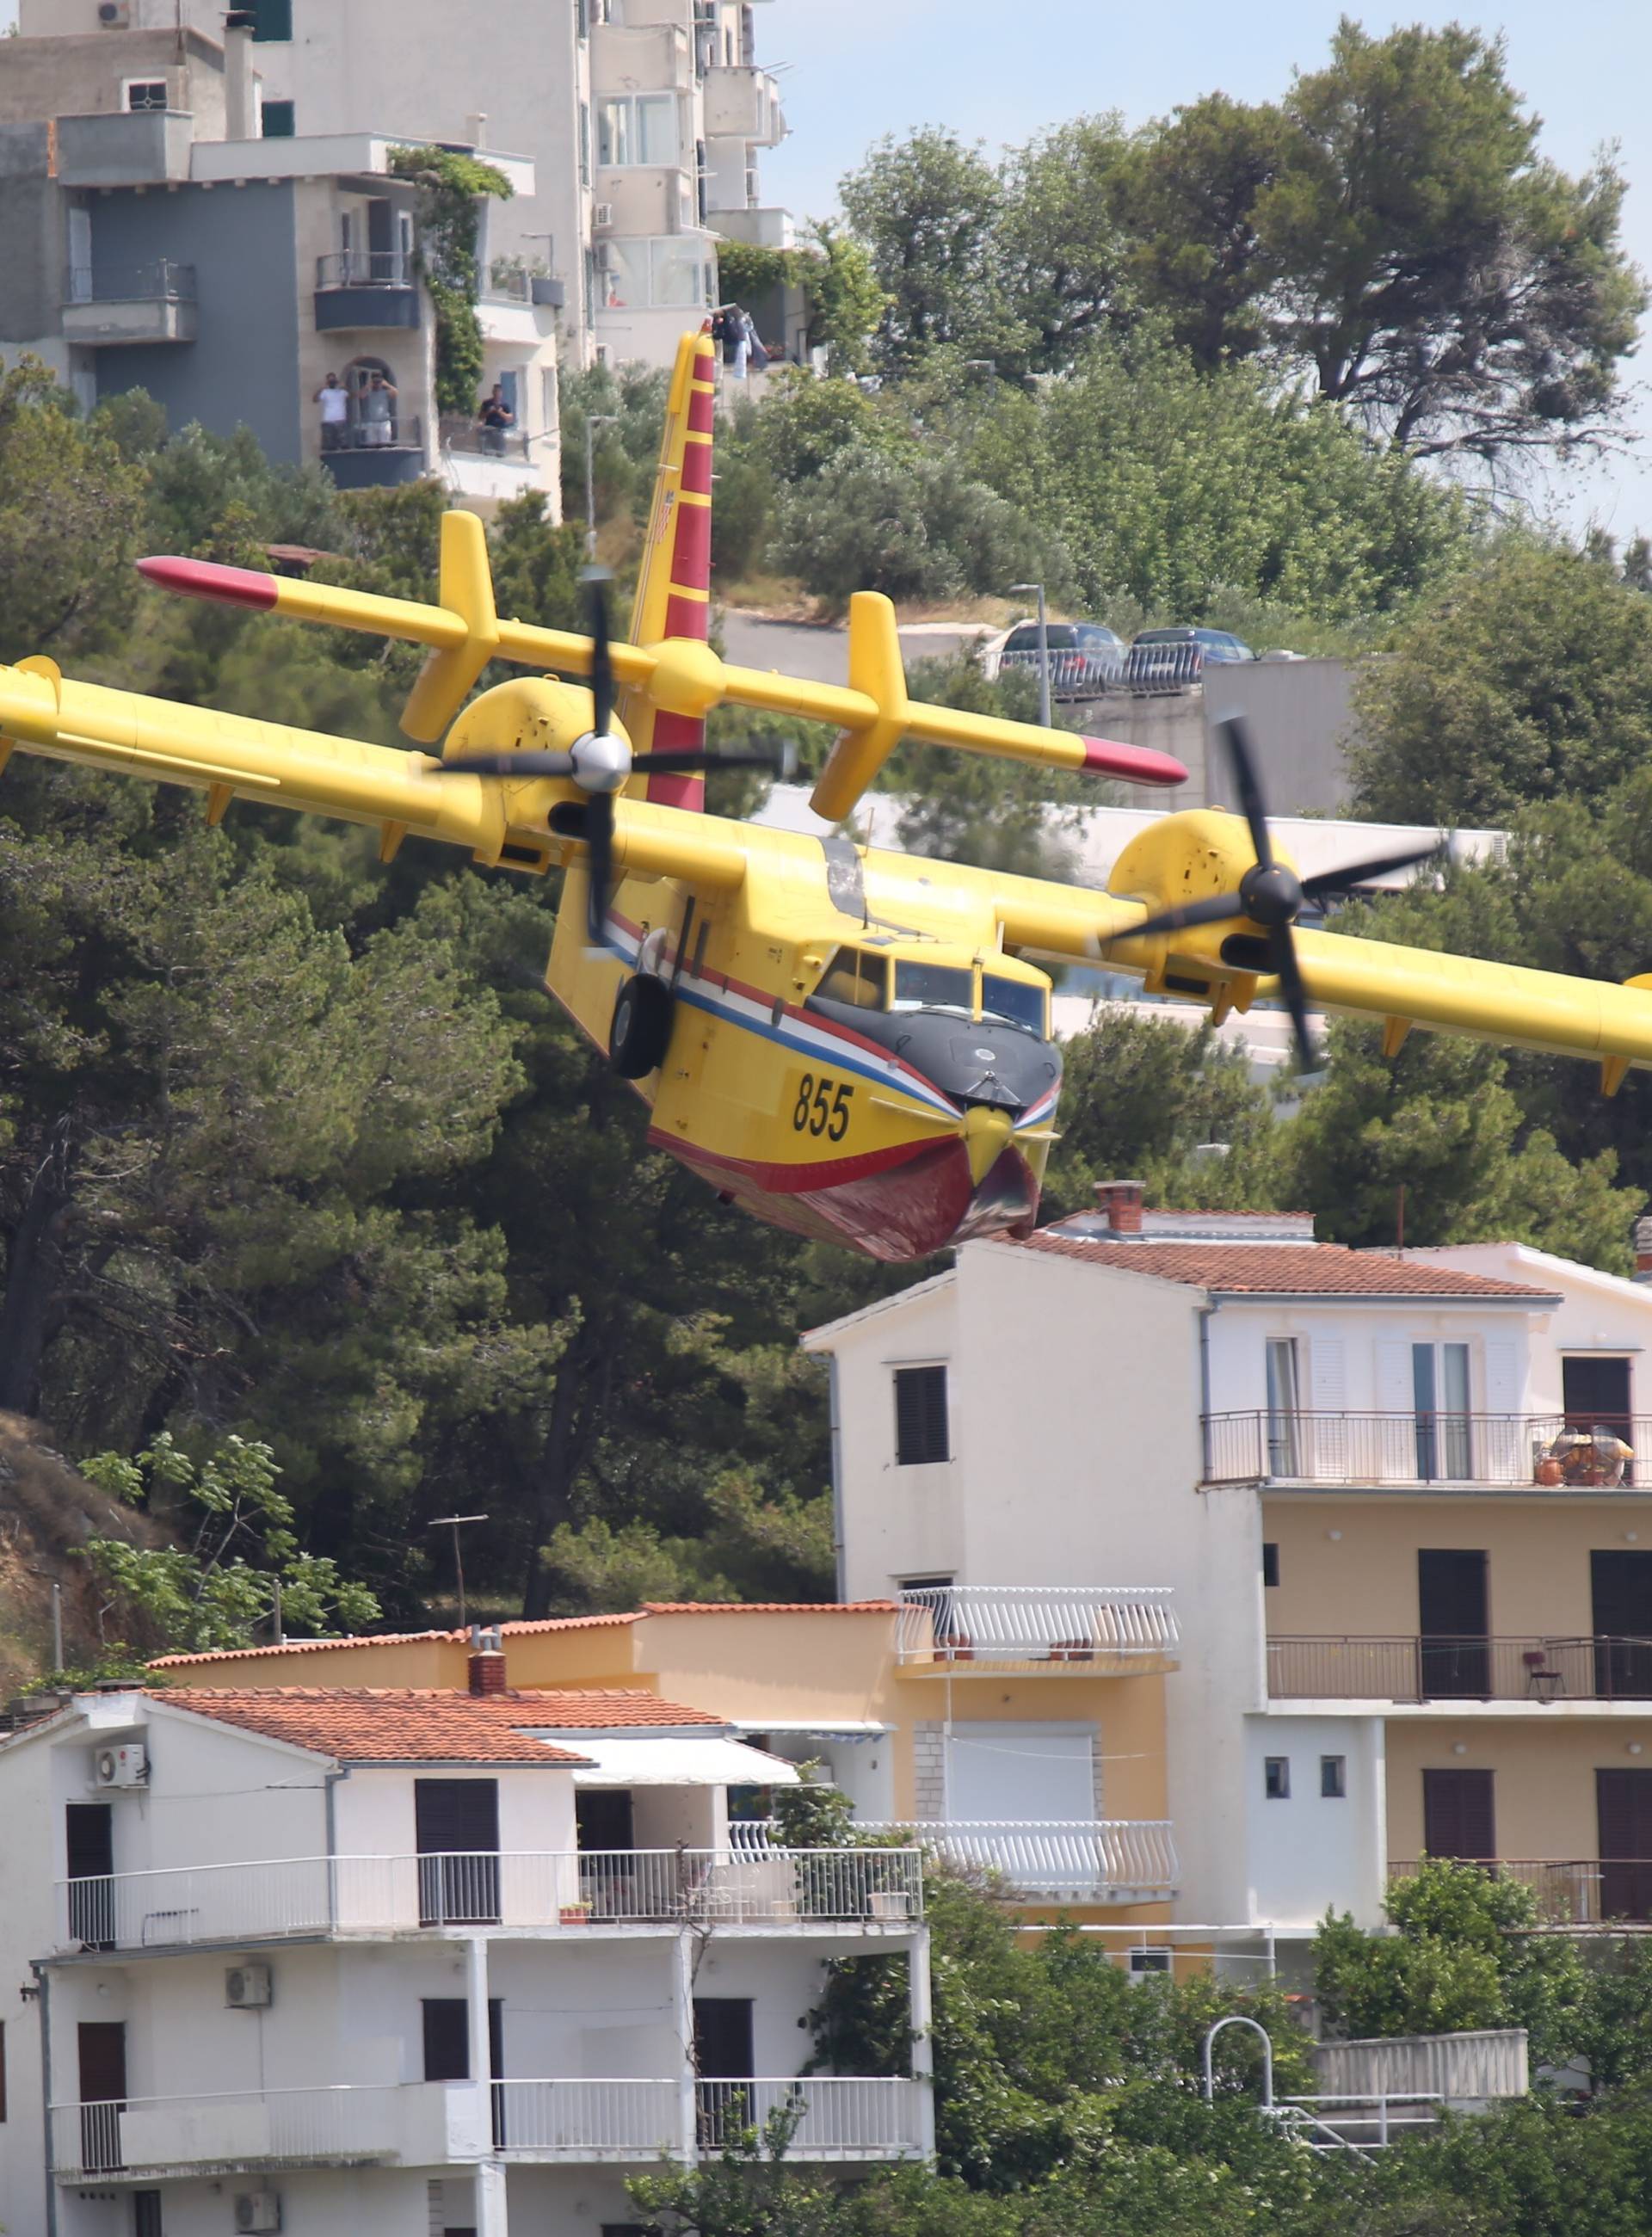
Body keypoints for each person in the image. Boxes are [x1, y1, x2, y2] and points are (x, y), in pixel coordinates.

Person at [360, 369, 398, 447]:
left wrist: (386, 384)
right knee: (371, 444)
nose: (377, 384)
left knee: (385, 444)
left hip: (384, 422)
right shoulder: (369, 393)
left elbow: (395, 392)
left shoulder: (385, 392)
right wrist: (368, 385)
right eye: (375, 382)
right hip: (371, 422)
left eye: (378, 382)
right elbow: (361, 395)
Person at [313, 371, 348, 452]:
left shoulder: (342, 391)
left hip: (341, 420)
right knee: (329, 446)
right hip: (328, 421)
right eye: (330, 381)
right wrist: (321, 388)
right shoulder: (325, 392)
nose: (332, 382)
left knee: (343, 444)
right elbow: (315, 400)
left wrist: (345, 387)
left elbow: (354, 395)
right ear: (327, 382)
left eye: (333, 380)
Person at [478, 382, 515, 456]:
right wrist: (489, 411)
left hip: (499, 431)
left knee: (500, 454)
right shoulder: (487, 403)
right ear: (492, 392)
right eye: (495, 391)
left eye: (498, 391)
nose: (496, 393)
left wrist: (500, 412)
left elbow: (510, 418)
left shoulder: (505, 405)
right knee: (488, 452)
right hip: (489, 430)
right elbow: (480, 416)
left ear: (501, 393)